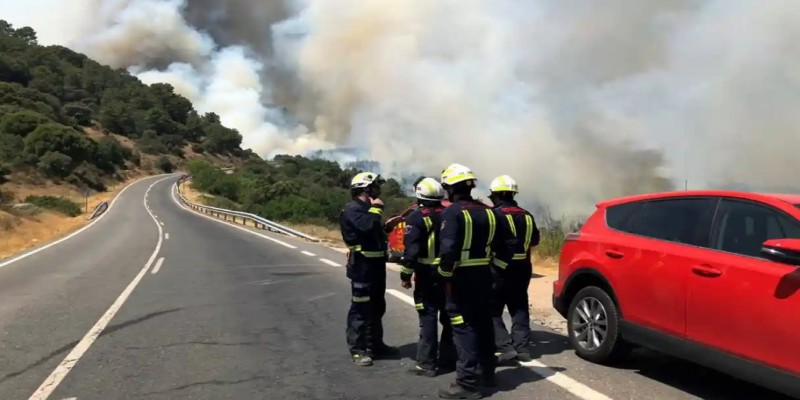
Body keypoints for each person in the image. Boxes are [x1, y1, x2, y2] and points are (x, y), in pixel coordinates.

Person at [435, 163, 516, 399]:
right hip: (486, 277)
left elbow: (448, 250)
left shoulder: (452, 212)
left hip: (462, 281)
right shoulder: (491, 211)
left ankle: (467, 383)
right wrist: (496, 270)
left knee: (463, 328)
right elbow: (510, 245)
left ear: (451, 188)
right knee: (484, 324)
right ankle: (487, 375)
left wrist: (444, 275)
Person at [399, 177, 457, 377]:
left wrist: (406, 274)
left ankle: (426, 363)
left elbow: (411, 251)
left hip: (427, 275)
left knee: (428, 318)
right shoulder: (450, 213)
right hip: (449, 274)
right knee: (449, 318)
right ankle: (449, 360)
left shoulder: (416, 218)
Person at [340, 171, 399, 366]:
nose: (378, 190)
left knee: (377, 306)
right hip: (362, 267)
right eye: (375, 187)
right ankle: (358, 350)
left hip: (376, 266)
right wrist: (376, 211)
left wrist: (388, 227)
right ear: (366, 188)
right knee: (360, 308)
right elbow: (364, 228)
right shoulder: (353, 210)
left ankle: (376, 345)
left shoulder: (368, 209)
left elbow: (374, 231)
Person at [487, 175, 541, 363]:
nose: (491, 198)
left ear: (499, 195)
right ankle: (522, 348)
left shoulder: (495, 215)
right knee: (519, 307)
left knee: (492, 309)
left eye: (492, 195)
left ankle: (504, 346)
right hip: (523, 268)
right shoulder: (527, 215)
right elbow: (534, 240)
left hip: (500, 269)